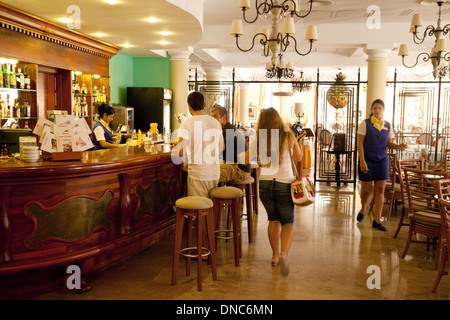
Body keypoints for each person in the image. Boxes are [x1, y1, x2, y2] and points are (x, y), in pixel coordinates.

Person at [240, 107, 302, 275]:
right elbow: (299, 157)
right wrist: (296, 143)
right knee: (287, 222)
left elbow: (245, 159)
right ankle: (284, 254)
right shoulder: (288, 136)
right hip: (285, 184)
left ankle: (274, 255)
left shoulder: (259, 139)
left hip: (265, 185)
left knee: (273, 219)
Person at [356, 99, 407, 231]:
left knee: (380, 190)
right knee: (366, 190)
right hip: (367, 159)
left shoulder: (388, 125)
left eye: (379, 108)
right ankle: (363, 208)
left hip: (382, 160)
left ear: (383, 110)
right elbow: (360, 144)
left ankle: (377, 220)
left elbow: (388, 143)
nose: (377, 110)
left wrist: (398, 146)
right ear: (371, 110)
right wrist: (362, 161)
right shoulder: (365, 124)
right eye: (375, 108)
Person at [175, 92, 224, 197]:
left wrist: (183, 165)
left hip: (198, 174)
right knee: (210, 206)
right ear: (204, 105)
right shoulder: (215, 122)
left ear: (189, 107)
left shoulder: (187, 123)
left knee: (198, 210)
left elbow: (180, 151)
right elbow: (221, 147)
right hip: (215, 173)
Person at [210, 104, 250, 183]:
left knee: (208, 173)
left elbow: (216, 151)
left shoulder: (227, 131)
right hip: (237, 166)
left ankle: (215, 195)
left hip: (239, 169)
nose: (213, 119)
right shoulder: (227, 128)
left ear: (224, 117)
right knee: (209, 169)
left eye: (215, 116)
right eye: (212, 117)